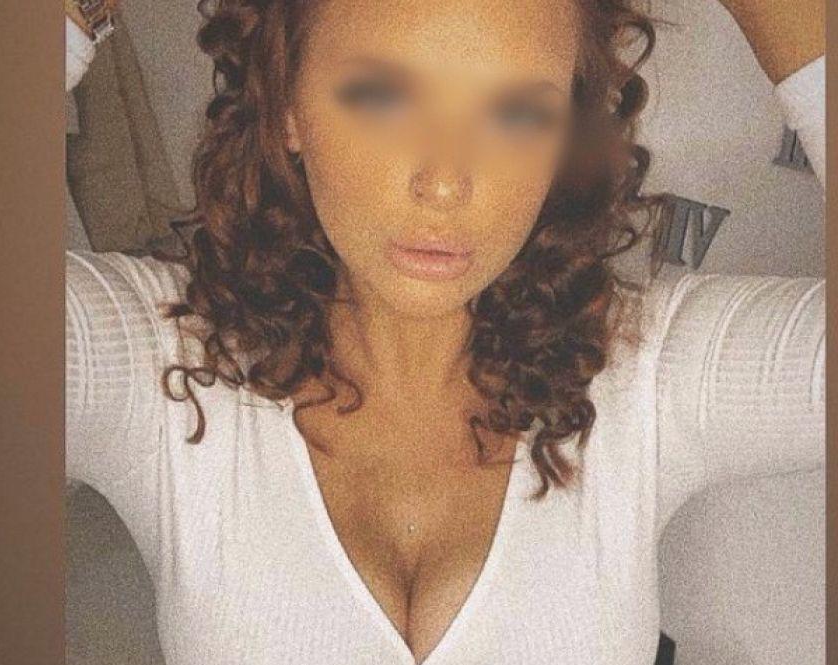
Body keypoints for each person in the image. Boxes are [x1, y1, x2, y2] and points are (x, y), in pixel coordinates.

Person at [65, 0, 825, 663]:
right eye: (383, 95)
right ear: (286, 103)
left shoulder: (649, 370)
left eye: (516, 112)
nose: (445, 181)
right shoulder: (160, 362)